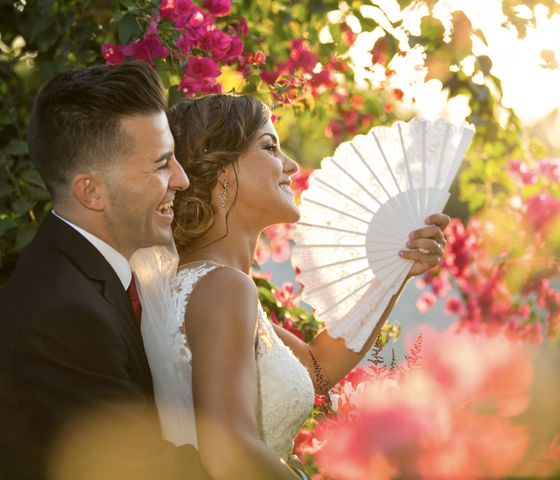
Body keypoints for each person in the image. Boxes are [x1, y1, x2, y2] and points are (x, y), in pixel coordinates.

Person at [140, 94, 449, 480]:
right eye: (270, 147)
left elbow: (317, 369)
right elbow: (229, 448)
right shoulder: (223, 287)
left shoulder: (203, 282)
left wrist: (398, 269)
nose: (292, 165)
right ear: (223, 172)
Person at [0, 62, 215, 480]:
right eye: (161, 164)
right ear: (91, 191)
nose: (180, 180)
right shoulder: (62, 315)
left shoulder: (95, 276)